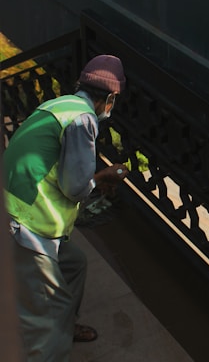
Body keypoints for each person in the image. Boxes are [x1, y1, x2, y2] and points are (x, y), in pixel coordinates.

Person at [2, 54, 129, 361]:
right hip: (26, 223)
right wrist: (103, 178)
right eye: (113, 101)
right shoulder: (83, 119)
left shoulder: (58, 105)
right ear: (110, 97)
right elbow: (75, 186)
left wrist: (96, 180)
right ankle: (52, 339)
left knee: (74, 264)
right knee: (50, 314)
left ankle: (66, 326)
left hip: (16, 207)